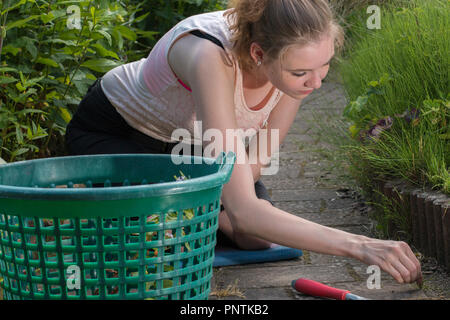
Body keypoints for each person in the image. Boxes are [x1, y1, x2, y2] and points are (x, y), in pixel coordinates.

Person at [65, 0, 422, 285]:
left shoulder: (293, 65)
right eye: (300, 73)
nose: (316, 84)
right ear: (257, 54)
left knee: (254, 239)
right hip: (116, 133)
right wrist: (360, 246)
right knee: (159, 239)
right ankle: (177, 209)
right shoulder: (209, 56)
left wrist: (234, 202)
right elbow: (246, 210)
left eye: (324, 66)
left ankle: (192, 208)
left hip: (187, 148)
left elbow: (252, 170)